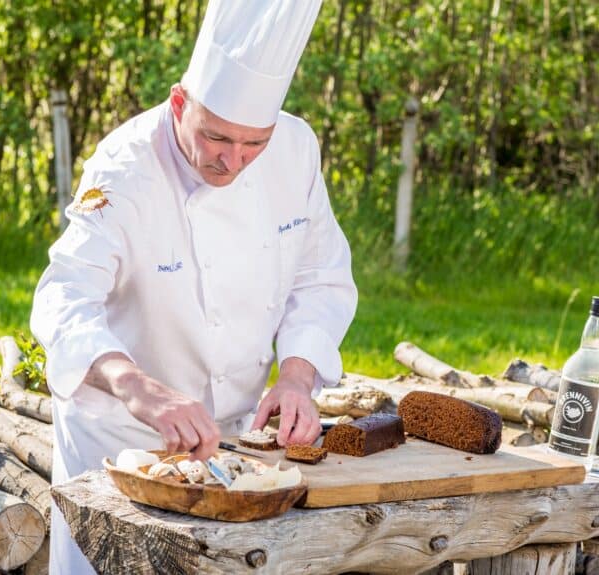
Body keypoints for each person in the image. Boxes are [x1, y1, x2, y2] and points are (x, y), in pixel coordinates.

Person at [30, 1, 357, 573]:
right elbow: (63, 296)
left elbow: (320, 275)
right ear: (180, 103)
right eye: (216, 138)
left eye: (253, 143)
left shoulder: (297, 150)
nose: (233, 161)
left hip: (233, 449)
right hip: (119, 441)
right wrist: (137, 386)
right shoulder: (122, 168)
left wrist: (298, 376)